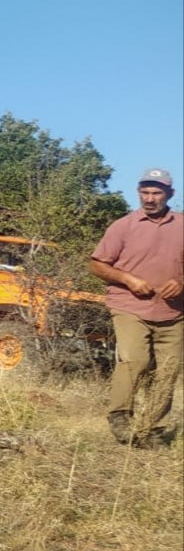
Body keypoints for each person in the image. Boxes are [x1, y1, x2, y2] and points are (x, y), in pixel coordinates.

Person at [89, 167, 184, 449]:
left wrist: (181, 282)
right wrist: (128, 279)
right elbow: (96, 264)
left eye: (156, 192)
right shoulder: (123, 226)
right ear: (138, 193)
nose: (150, 198)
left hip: (173, 312)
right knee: (136, 360)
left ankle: (154, 431)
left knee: (168, 369)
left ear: (170, 194)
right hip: (129, 306)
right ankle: (120, 416)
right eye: (145, 192)